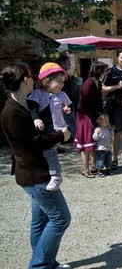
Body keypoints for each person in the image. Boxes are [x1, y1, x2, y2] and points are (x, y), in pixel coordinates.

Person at [1, 62, 71, 269]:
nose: (34, 79)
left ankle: (46, 262)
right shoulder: (13, 111)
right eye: (31, 76)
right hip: (34, 174)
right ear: (25, 80)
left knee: (40, 221)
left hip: (34, 172)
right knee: (61, 218)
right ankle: (39, 265)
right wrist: (61, 135)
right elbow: (34, 143)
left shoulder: (21, 104)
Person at [26, 62, 70, 191]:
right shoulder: (38, 93)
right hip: (45, 129)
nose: (62, 85)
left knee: (50, 151)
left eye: (63, 82)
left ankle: (56, 175)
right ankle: (48, 173)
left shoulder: (61, 95)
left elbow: (70, 105)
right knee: (45, 151)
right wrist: (36, 118)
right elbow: (32, 107)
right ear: (47, 80)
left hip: (58, 129)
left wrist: (68, 109)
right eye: (59, 82)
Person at [101, 48, 122, 170]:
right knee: (116, 134)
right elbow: (103, 88)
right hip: (115, 107)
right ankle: (115, 159)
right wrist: (117, 86)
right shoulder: (111, 72)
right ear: (117, 58)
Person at [75, 61, 108, 178]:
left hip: (93, 115)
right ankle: (85, 169)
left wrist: (101, 114)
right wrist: (94, 117)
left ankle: (94, 167)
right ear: (99, 71)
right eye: (104, 71)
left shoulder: (98, 83)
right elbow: (84, 104)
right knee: (86, 144)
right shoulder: (88, 84)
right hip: (85, 116)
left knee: (95, 142)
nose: (105, 73)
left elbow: (98, 101)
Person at [58, 54, 76, 140]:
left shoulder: (64, 73)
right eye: (68, 62)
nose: (70, 64)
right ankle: (78, 140)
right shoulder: (61, 74)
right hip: (65, 102)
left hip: (66, 101)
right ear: (62, 63)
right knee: (71, 122)